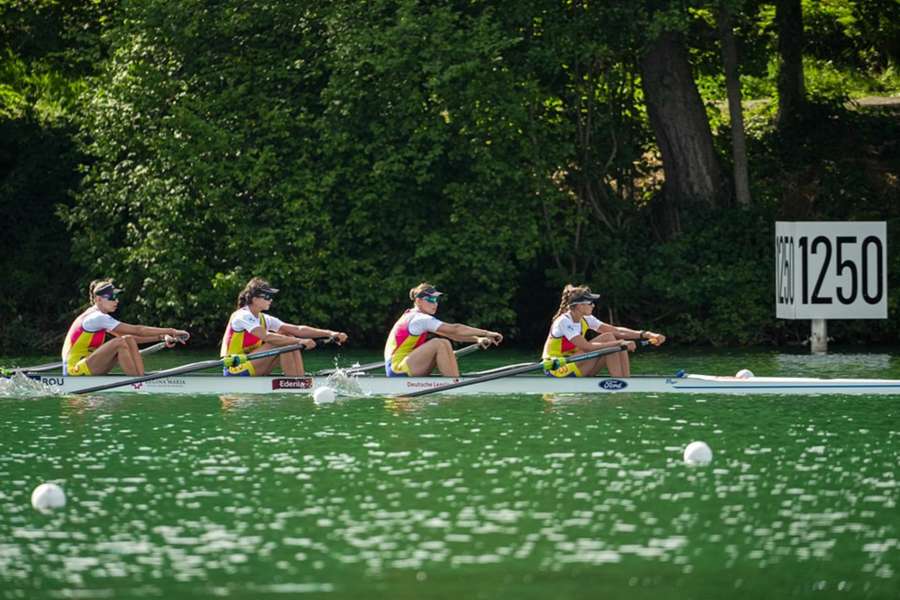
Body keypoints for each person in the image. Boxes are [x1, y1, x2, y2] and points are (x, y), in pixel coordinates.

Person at [220, 277, 348, 376]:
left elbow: (297, 329)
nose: (271, 300)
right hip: (235, 368)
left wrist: (330, 333)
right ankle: (295, 383)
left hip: (252, 364)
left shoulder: (264, 318)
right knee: (284, 341)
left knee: (288, 336)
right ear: (254, 299)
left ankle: (299, 379)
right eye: (267, 296)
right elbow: (267, 336)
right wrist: (300, 341)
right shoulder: (242, 316)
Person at [62, 280, 190, 376]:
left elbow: (134, 338)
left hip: (88, 364)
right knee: (120, 343)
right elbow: (138, 330)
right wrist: (172, 331)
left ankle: (140, 378)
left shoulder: (100, 318)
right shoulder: (97, 317)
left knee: (127, 339)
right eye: (112, 297)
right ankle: (137, 382)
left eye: (116, 297)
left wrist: (161, 337)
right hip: (74, 370)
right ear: (98, 299)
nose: (116, 301)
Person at [542, 284, 665, 378]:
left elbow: (616, 330)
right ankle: (620, 383)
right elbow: (587, 347)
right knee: (612, 340)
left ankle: (626, 381)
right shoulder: (564, 321)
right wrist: (620, 343)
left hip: (576, 364)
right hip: (556, 368)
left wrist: (646, 334)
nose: (593, 305)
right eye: (590, 303)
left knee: (610, 336)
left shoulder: (586, 318)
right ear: (579, 306)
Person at [384, 282, 503, 377]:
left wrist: (477, 339)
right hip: (397, 368)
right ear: (418, 301)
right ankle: (454, 383)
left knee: (444, 342)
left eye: (436, 300)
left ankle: (453, 380)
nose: (434, 304)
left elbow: (453, 335)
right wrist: (487, 333)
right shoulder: (419, 319)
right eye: (430, 300)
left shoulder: (416, 317)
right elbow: (455, 329)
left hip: (406, 363)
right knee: (439, 343)